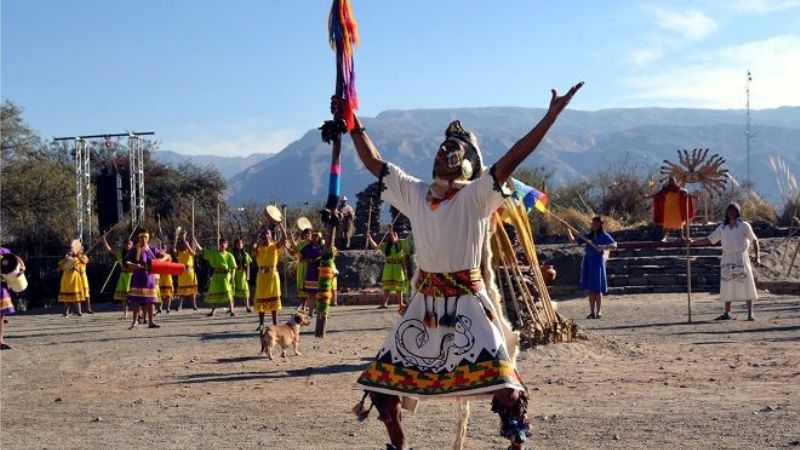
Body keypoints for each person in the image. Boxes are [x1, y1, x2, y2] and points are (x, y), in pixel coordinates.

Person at [339, 81, 583, 450]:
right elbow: (374, 162)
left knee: (503, 385)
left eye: (453, 149)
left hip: (469, 300)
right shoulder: (415, 192)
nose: (444, 152)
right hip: (425, 303)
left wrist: (550, 117)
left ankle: (516, 444)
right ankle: (400, 444)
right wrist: (351, 120)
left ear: (468, 163)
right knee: (382, 385)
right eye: (441, 148)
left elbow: (514, 157)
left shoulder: (477, 195)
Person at [692, 202, 760, 320]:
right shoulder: (722, 228)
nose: (732, 213)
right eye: (730, 210)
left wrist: (757, 257)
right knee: (727, 284)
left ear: (738, 212)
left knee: (746, 283)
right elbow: (709, 239)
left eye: (734, 210)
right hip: (727, 257)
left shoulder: (744, 226)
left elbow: (754, 240)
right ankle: (727, 312)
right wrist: (693, 242)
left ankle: (750, 313)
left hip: (741, 257)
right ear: (727, 212)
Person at [567, 217, 617, 319]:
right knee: (591, 290)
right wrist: (567, 229)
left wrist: (603, 247)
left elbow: (614, 245)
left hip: (598, 263)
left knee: (597, 289)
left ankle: (599, 312)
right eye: (593, 223)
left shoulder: (604, 236)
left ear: (600, 225)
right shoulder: (586, 236)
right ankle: (591, 312)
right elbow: (573, 241)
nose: (594, 225)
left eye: (596, 224)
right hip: (588, 262)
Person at [125, 229, 167, 329]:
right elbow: (127, 262)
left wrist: (159, 261)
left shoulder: (152, 249)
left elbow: (166, 256)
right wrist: (135, 265)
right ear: (138, 239)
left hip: (150, 279)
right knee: (137, 301)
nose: (143, 239)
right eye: (141, 237)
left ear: (148, 239)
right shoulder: (134, 250)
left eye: (145, 237)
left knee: (151, 301)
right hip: (138, 278)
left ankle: (151, 322)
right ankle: (135, 322)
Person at [253, 224, 287, 329]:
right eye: (263, 234)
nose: (264, 235)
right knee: (261, 298)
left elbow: (284, 238)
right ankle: (261, 323)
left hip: (273, 276)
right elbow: (251, 246)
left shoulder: (275, 246)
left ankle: (275, 323)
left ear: (270, 235)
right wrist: (257, 233)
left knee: (274, 299)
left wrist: (281, 225)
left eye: (266, 233)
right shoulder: (258, 247)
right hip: (262, 276)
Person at [366, 227, 407, 309]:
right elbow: (375, 247)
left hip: (398, 268)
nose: (394, 237)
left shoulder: (401, 244)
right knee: (387, 287)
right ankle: (384, 303)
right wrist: (369, 238)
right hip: (389, 268)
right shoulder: (385, 246)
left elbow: (403, 261)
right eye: (393, 235)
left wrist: (405, 270)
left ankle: (401, 304)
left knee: (399, 288)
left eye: (396, 235)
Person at [0, 248, 27, 350]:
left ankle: (0, 341)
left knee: (1, 316)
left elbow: (15, 258)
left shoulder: (2, 251)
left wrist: (22, 267)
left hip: (1, 285)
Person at [101, 236, 134, 318]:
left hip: (133, 276)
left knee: (135, 296)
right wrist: (104, 240)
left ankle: (138, 314)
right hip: (124, 276)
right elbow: (110, 250)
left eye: (129, 244)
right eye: (126, 244)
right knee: (125, 297)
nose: (128, 246)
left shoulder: (135, 253)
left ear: (132, 245)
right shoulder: (120, 253)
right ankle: (125, 314)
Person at [203, 238, 237, 317]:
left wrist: (232, 278)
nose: (222, 245)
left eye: (224, 243)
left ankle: (232, 310)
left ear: (227, 245)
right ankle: (213, 311)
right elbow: (203, 251)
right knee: (215, 293)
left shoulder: (229, 255)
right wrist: (195, 241)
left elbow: (233, 267)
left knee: (229, 294)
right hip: (216, 276)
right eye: (221, 243)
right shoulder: (214, 253)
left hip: (225, 276)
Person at [58, 240, 88, 317]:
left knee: (76, 298)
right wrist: (67, 260)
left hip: (75, 279)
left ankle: (79, 312)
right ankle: (66, 313)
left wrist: (73, 264)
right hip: (66, 279)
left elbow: (80, 268)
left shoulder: (77, 259)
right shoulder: (64, 259)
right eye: (69, 251)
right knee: (66, 298)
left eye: (71, 251)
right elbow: (61, 268)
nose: (70, 252)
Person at [175, 232, 200, 311]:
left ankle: (194, 305)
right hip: (182, 273)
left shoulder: (190, 252)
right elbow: (173, 249)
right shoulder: (179, 253)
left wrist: (188, 244)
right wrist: (176, 238)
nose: (184, 245)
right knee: (182, 292)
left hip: (190, 273)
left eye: (184, 244)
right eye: (183, 244)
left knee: (192, 292)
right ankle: (180, 306)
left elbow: (193, 253)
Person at [290, 227, 313, 312]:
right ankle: (303, 305)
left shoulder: (313, 244)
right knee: (301, 285)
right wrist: (290, 239)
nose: (307, 235)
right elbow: (294, 251)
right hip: (301, 266)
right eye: (306, 233)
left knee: (309, 285)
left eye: (309, 233)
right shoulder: (300, 244)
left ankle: (308, 305)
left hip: (310, 266)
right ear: (303, 235)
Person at [232, 238, 254, 313]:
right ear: (235, 245)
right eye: (238, 244)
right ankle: (231, 307)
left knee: (245, 291)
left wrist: (248, 276)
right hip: (235, 273)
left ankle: (247, 306)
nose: (239, 245)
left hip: (243, 274)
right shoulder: (232, 254)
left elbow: (248, 265)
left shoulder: (245, 254)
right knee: (233, 290)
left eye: (241, 243)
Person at [157, 246, 176, 314]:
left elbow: (163, 259)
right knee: (160, 294)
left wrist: (163, 252)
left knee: (168, 294)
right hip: (161, 277)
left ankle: (168, 308)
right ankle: (160, 308)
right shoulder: (158, 256)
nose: (161, 250)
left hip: (168, 277)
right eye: (161, 249)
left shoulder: (168, 255)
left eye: (164, 249)